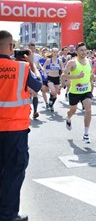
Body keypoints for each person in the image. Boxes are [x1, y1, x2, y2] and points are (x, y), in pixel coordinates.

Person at [0, 30, 42, 221]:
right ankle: (8, 215)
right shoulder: (22, 68)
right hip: (14, 130)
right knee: (13, 173)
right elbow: (38, 86)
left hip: (12, 129)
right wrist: (32, 63)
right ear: (10, 47)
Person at [61, 42, 93, 143]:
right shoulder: (72, 63)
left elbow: (89, 73)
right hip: (74, 91)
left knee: (88, 110)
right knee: (73, 111)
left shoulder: (89, 61)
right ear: (76, 51)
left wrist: (93, 77)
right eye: (81, 50)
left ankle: (86, 134)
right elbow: (63, 76)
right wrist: (76, 77)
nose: (84, 52)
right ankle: (68, 118)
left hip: (86, 90)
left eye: (85, 50)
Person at [43, 48, 64, 112]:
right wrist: (45, 73)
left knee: (55, 95)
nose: (55, 53)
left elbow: (63, 68)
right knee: (53, 91)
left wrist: (63, 72)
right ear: (52, 52)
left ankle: (51, 104)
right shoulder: (49, 60)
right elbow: (44, 67)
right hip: (50, 78)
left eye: (56, 52)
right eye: (54, 52)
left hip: (57, 78)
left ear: (58, 53)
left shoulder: (59, 61)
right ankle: (50, 101)